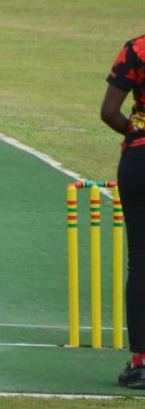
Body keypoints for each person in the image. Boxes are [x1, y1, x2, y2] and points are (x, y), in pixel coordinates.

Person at [102, 36, 145, 389]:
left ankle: (141, 363)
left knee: (142, 260)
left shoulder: (138, 49)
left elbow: (109, 112)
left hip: (139, 160)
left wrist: (134, 133)